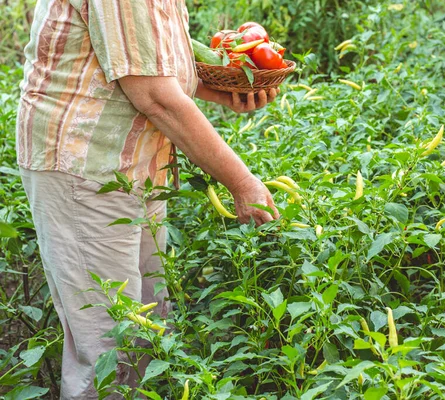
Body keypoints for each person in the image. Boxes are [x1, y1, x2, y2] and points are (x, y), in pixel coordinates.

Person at [16, 0, 280, 398]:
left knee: (148, 326)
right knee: (107, 344)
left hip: (136, 166)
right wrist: (242, 182)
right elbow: (153, 94)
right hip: (85, 165)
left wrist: (220, 91)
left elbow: (150, 58)